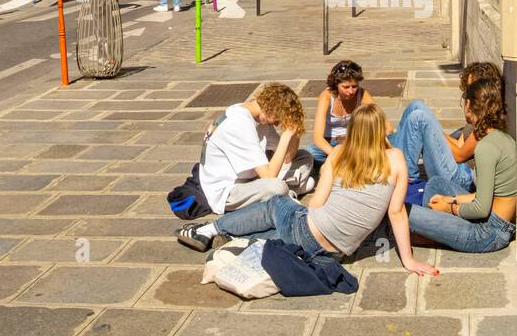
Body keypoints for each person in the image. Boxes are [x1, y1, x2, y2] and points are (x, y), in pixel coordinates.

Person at [178, 103, 439, 281]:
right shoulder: (396, 160)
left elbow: (315, 205)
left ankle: (209, 230)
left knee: (277, 205)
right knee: (280, 229)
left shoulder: (339, 155)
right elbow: (396, 213)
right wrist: (409, 261)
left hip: (310, 232)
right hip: (338, 252)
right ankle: (233, 242)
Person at [408, 78, 516, 253]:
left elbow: (481, 209)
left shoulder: (485, 148)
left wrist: (449, 208)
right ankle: (437, 229)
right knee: (436, 183)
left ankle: (436, 232)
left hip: (488, 234)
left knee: (403, 212)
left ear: (469, 105)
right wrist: (451, 199)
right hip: (497, 222)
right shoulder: (503, 138)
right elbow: (482, 196)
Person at [195, 83, 315, 217]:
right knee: (277, 187)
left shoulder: (258, 117)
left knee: (305, 157)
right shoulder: (240, 123)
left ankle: (286, 194)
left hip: (252, 178)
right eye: (278, 120)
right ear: (272, 109)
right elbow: (269, 177)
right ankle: (287, 192)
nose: (277, 124)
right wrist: (286, 136)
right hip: (228, 192)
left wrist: (295, 131)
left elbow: (287, 157)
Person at [388, 60, 504, 187]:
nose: (466, 96)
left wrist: (431, 131)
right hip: (456, 167)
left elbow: (460, 155)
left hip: (462, 179)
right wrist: (432, 133)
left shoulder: (487, 124)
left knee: (420, 118)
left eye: (470, 90)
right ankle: (389, 154)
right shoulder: (477, 119)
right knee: (416, 106)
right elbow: (459, 145)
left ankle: (405, 178)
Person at [310, 60, 378, 166]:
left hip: (353, 140)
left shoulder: (362, 94)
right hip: (329, 142)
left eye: (354, 86)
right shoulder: (326, 96)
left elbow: (383, 123)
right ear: (336, 85)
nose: (351, 91)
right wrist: (338, 156)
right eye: (346, 87)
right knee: (310, 154)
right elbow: (318, 138)